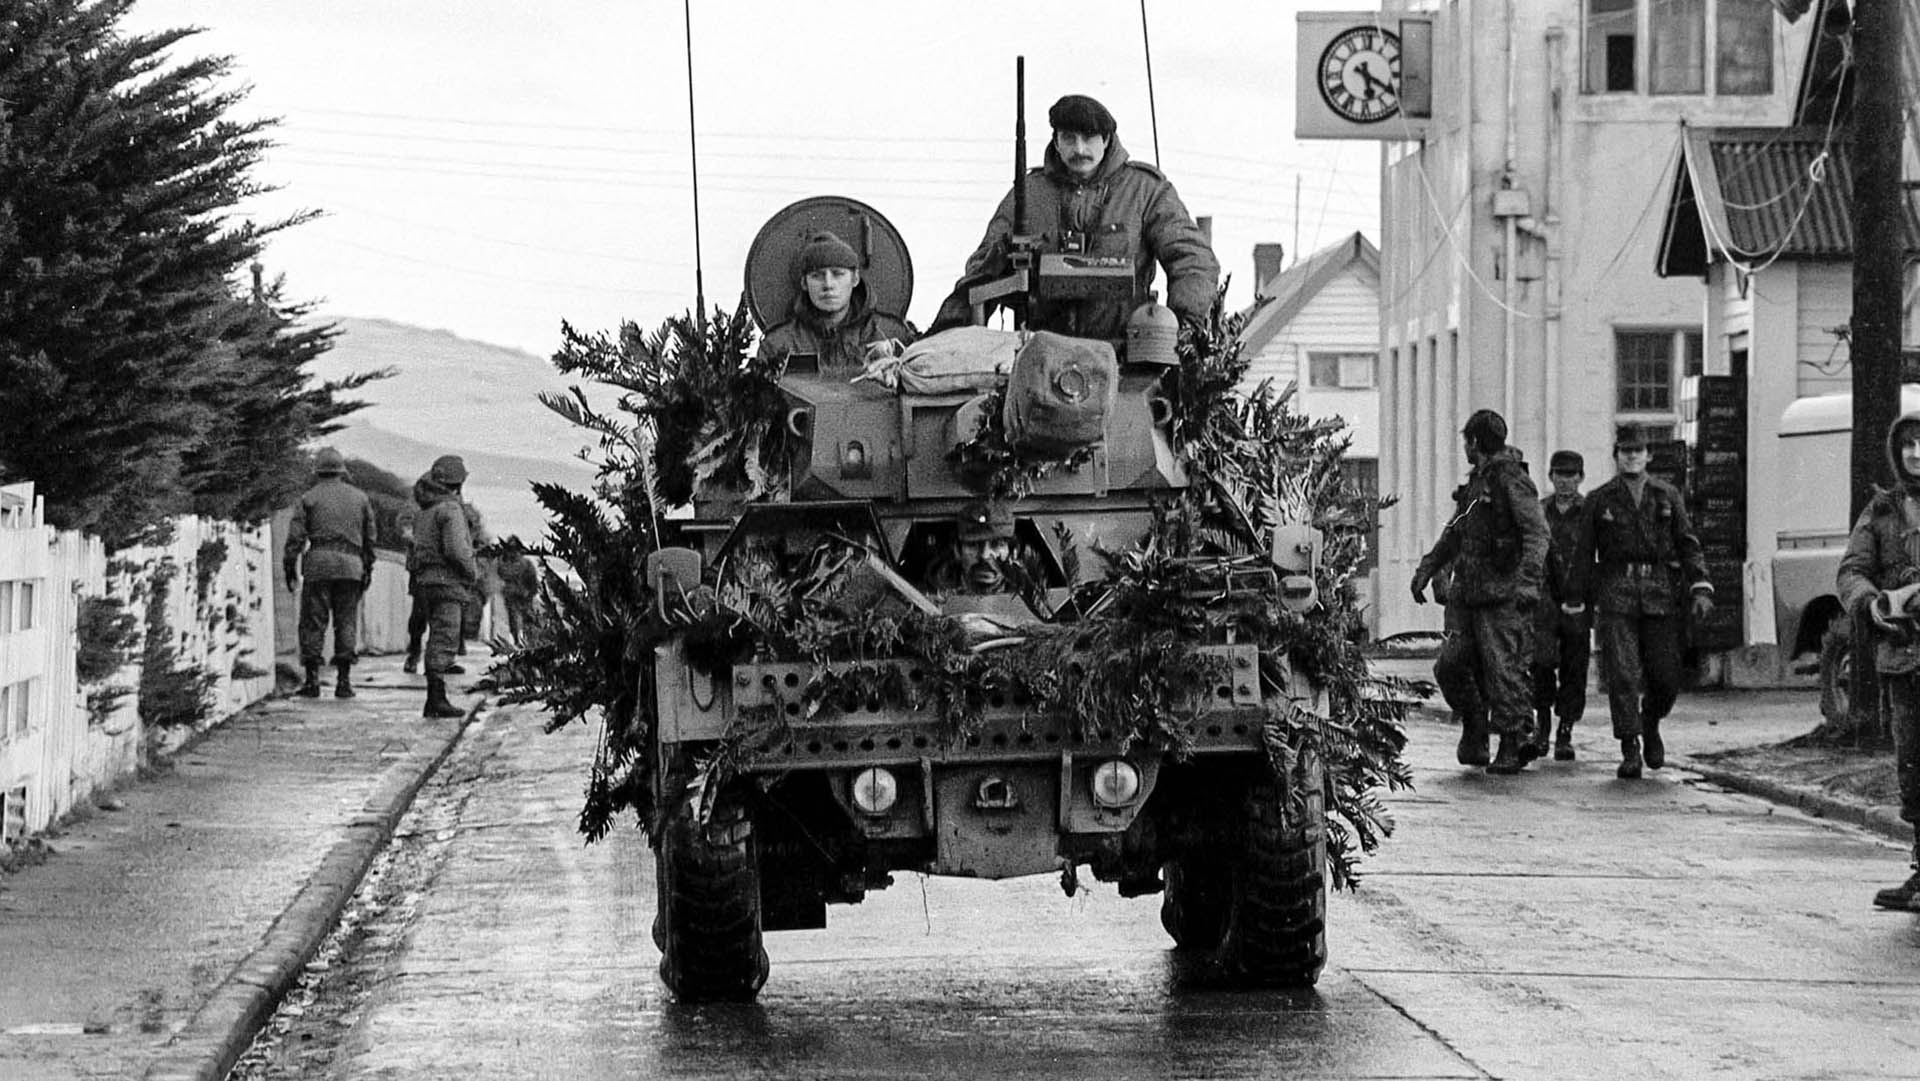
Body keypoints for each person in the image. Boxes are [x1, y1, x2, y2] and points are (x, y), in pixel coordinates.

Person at [929, 93, 1220, 342]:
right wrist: (944, 335)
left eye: (1089, 138)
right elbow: (982, 273)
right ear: (1056, 142)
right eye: (1069, 138)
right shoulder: (1028, 195)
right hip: (1040, 362)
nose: (1079, 149)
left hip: (1126, 361)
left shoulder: (1145, 191)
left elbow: (1193, 260)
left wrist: (1186, 331)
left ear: (1106, 140)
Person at [1565, 429, 1713, 779]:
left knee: (1666, 676)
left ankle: (1650, 722)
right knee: (1624, 674)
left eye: (1638, 451)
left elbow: (1688, 543)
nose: (1632, 457)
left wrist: (1701, 586)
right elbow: (1584, 553)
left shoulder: (1667, 495)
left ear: (1648, 456)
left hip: (1659, 593)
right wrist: (1575, 599)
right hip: (1616, 592)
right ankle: (1630, 745)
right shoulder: (1600, 500)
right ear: (1615, 455)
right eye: (1625, 451)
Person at [1410, 409, 1550, 774]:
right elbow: (1455, 530)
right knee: (1450, 666)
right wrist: (1428, 568)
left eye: (1466, 442)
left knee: (1503, 669)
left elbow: (1537, 533)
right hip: (1467, 594)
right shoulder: (1478, 482)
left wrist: (1528, 584)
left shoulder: (1510, 480)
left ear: (1474, 442)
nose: (1465, 448)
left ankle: (1511, 741)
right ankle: (1475, 727)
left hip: (1502, 594)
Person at [1836, 410, 1920, 911]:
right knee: (1911, 764)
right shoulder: (1882, 511)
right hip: (1903, 655)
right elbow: (1852, 570)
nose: (1915, 453)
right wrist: (1872, 603)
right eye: (1907, 444)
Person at [283, 447, 376, 699]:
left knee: (313, 623)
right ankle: (343, 682)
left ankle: (312, 680)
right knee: (346, 622)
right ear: (342, 471)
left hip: (318, 565)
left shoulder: (309, 498)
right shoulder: (360, 498)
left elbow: (295, 538)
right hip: (351, 566)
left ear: (318, 471)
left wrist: (289, 567)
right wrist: (367, 567)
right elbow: (370, 539)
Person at [754, 231, 914, 374]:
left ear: (855, 279)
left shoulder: (891, 334)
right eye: (817, 275)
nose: (828, 284)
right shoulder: (778, 344)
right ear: (804, 283)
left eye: (838, 274)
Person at [1532, 449, 1593, 762]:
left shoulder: (1590, 512)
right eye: (1560, 474)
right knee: (1540, 664)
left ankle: (1565, 729)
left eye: (1571, 475)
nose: (1565, 481)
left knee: (1574, 665)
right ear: (1551, 476)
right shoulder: (1539, 512)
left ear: (1581, 477)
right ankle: (1542, 722)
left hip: (1578, 599)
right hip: (1544, 601)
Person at [408, 454, 478, 719]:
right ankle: (436, 699)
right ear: (457, 483)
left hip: (425, 580)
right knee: (444, 636)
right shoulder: (449, 509)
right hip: (447, 582)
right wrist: (472, 573)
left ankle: (435, 697)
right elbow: (457, 550)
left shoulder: (425, 509)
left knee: (434, 635)